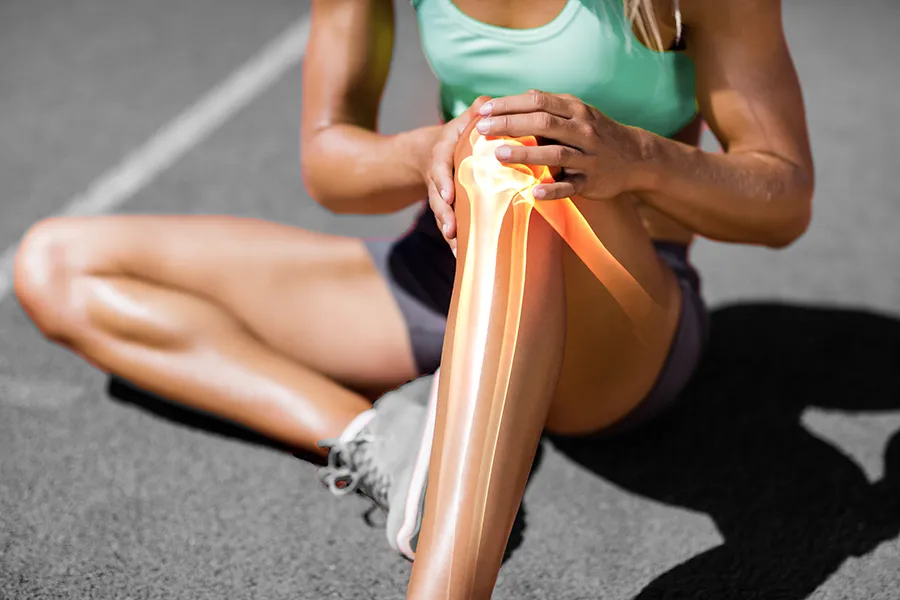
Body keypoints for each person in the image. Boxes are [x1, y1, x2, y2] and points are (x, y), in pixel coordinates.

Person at [12, 0, 814, 597]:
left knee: (515, 161)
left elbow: (784, 197)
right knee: (56, 265)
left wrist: (635, 155)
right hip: (445, 270)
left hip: (616, 316)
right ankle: (378, 438)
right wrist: (435, 147)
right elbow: (329, 163)